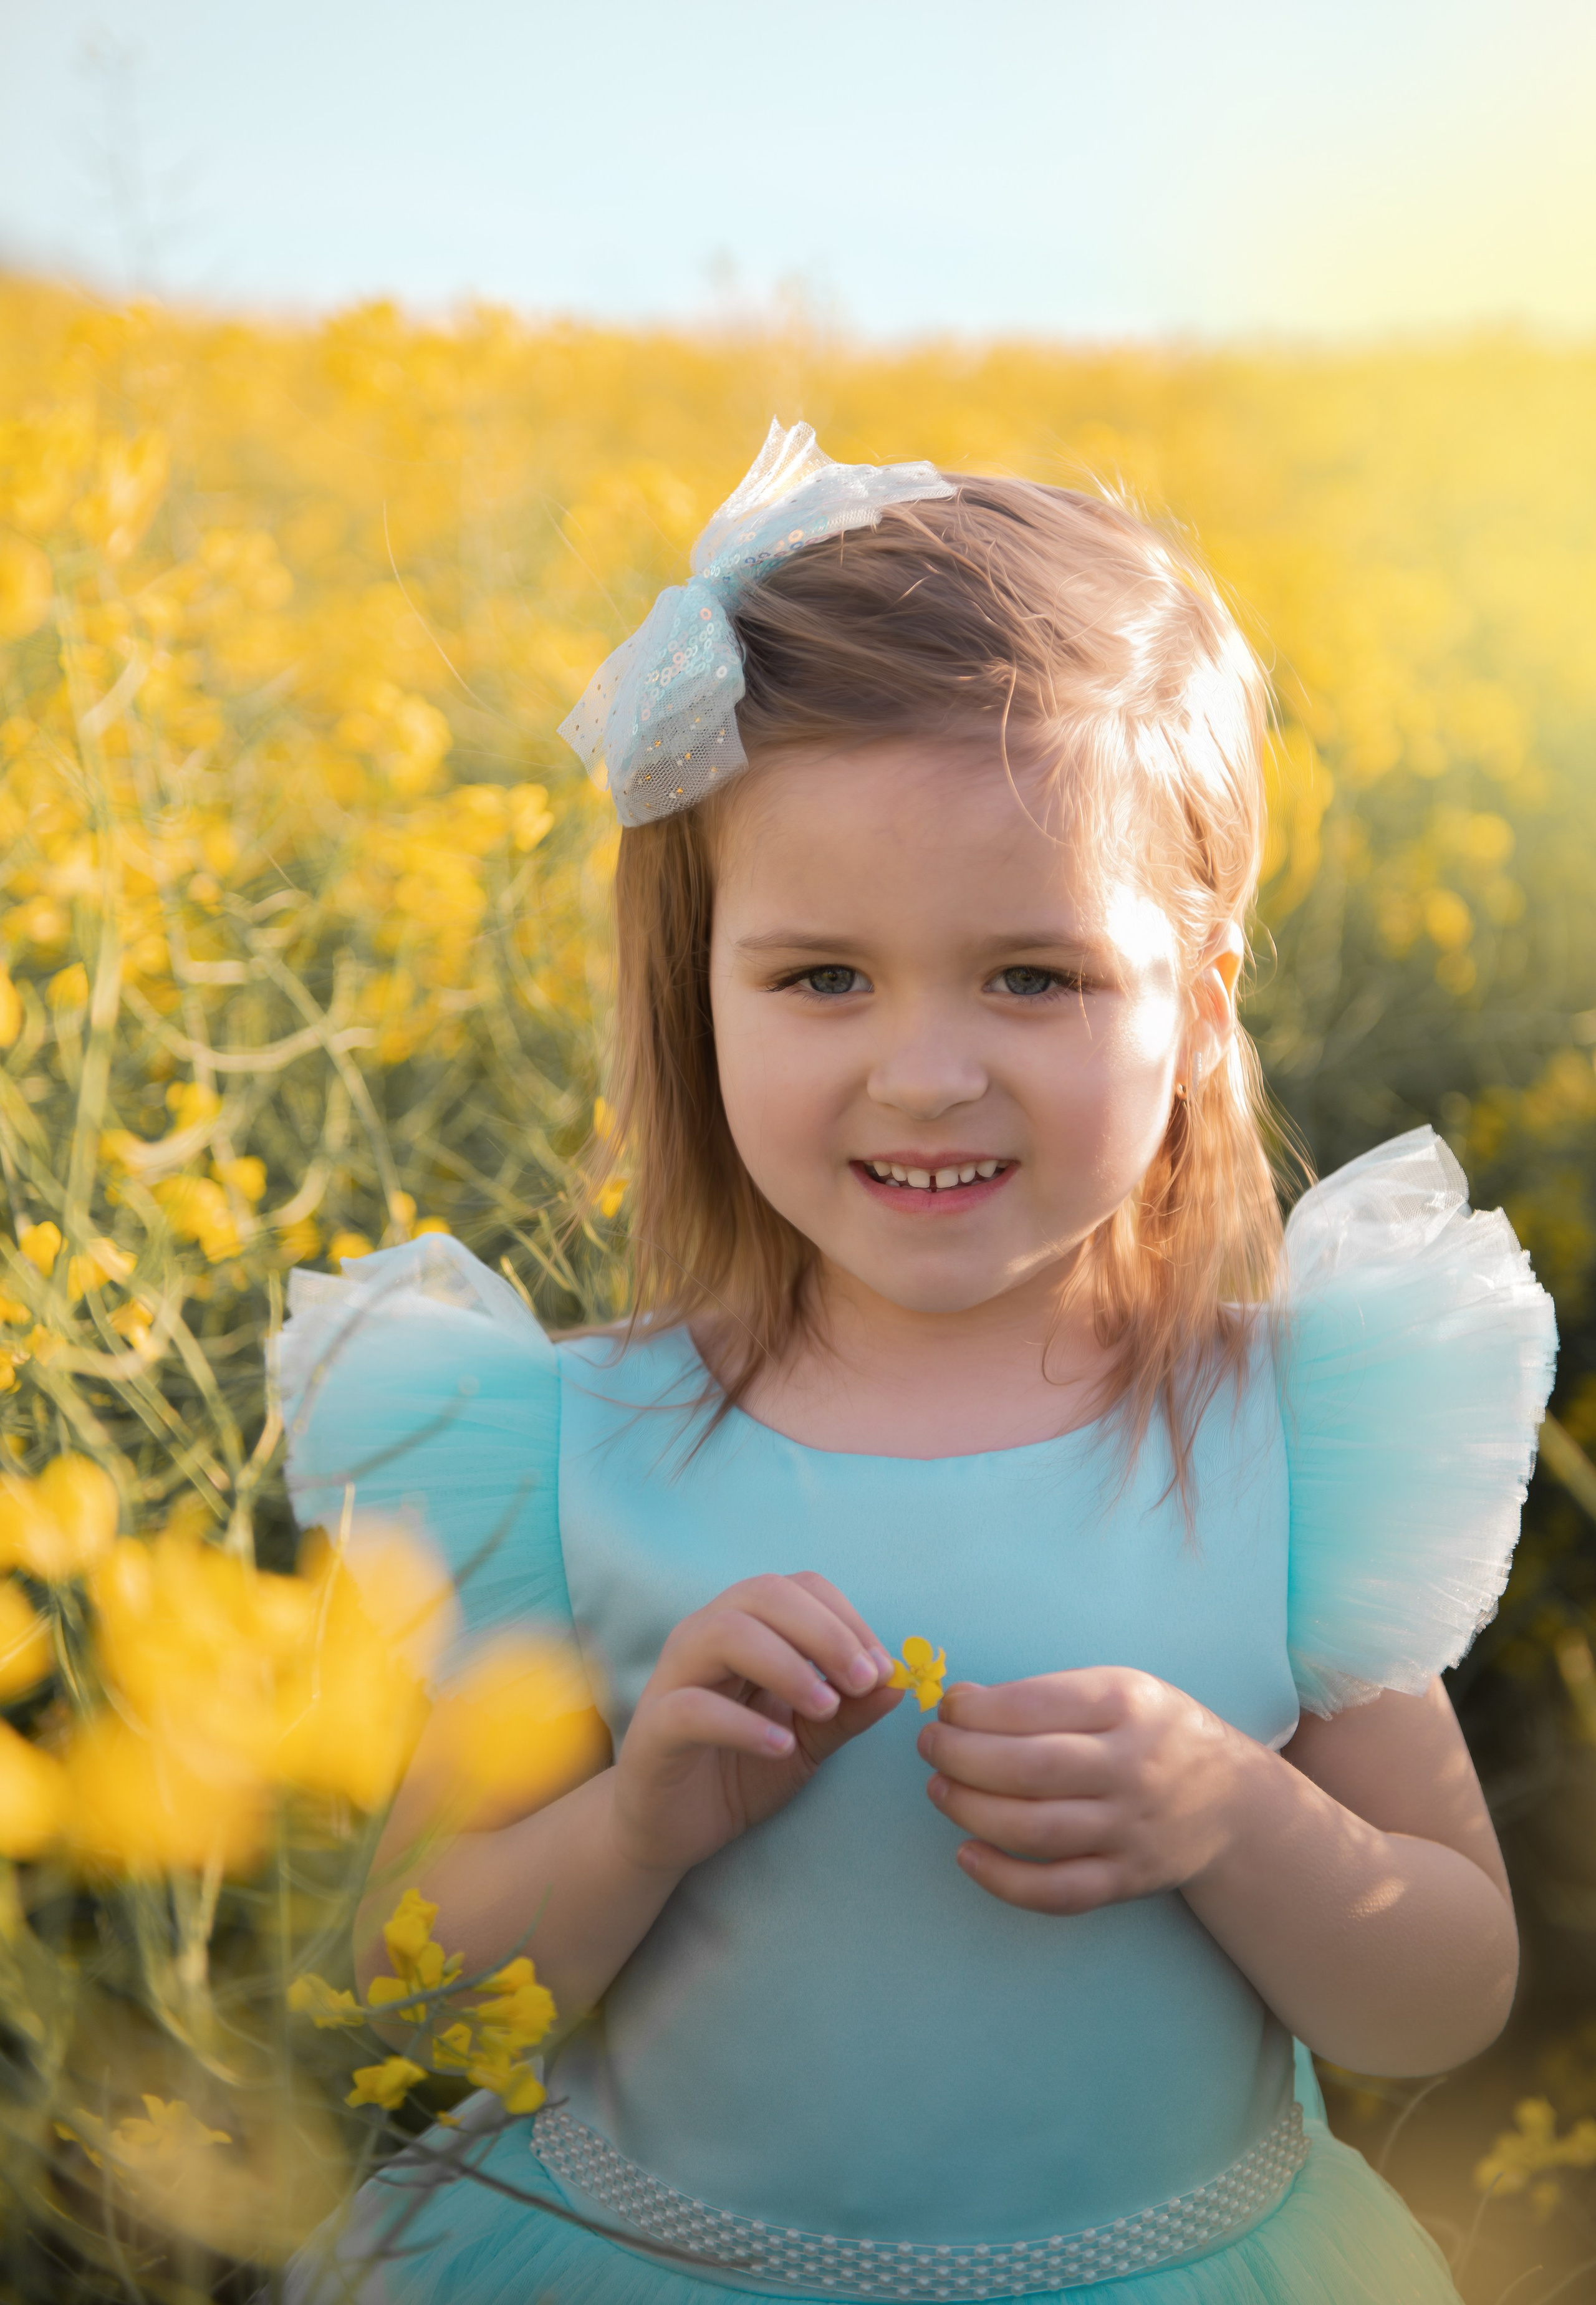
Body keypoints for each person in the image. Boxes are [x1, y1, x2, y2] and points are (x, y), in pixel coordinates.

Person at [278, 422, 1557, 2304]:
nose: (928, 1071)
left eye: (1034, 976)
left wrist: (1233, 1812)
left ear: (1197, 1017)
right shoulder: (569, 1441)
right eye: (823, 977)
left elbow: (1441, 1993)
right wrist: (637, 1824)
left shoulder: (1289, 1440)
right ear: (700, 992)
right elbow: (410, 1995)